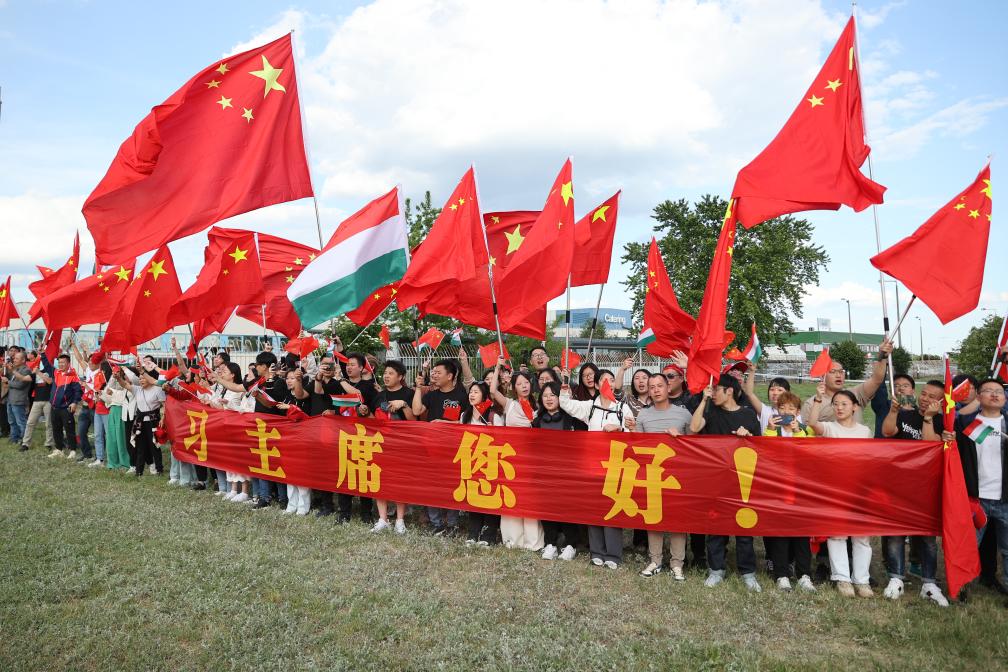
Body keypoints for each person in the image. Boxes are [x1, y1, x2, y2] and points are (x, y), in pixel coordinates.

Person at [876, 379, 950, 606]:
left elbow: (930, 443)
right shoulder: (905, 415)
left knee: (927, 538)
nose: (925, 398)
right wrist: (893, 411)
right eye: (924, 393)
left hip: (926, 487)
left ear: (940, 402)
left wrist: (928, 418)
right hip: (900, 485)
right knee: (896, 534)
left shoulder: (942, 423)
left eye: (931, 396)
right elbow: (887, 432)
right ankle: (896, 578)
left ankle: (929, 583)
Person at [689, 374, 762, 592]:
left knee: (744, 527)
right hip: (716, 480)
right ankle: (716, 570)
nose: (713, 393)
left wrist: (747, 436)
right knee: (715, 526)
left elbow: (760, 447)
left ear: (729, 391)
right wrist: (703, 400)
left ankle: (748, 572)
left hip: (742, 480)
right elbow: (694, 428)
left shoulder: (748, 415)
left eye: (716, 389)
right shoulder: (710, 412)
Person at [559, 369, 632, 569]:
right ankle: (597, 551)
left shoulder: (622, 409)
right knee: (595, 508)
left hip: (616, 466)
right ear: (597, 385)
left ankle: (614, 554)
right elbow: (566, 404)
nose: (607, 383)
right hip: (592, 465)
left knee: (613, 509)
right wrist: (564, 387)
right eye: (603, 380)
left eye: (610, 380)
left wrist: (621, 429)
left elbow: (634, 433)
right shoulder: (590, 407)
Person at [807, 385, 874, 598]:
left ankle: (862, 581)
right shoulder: (830, 428)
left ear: (855, 407)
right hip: (834, 489)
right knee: (837, 534)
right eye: (835, 404)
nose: (839, 408)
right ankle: (842, 579)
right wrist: (818, 401)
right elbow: (812, 424)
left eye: (844, 404)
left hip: (859, 489)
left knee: (862, 536)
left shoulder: (864, 431)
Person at [631, 373, 692, 580]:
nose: (655, 390)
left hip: (677, 475)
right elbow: (637, 447)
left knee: (678, 520)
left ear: (668, 388)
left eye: (659, 385)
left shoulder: (683, 414)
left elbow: (697, 446)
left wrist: (681, 438)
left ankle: (677, 563)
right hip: (651, 474)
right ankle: (655, 560)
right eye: (652, 387)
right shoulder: (643, 416)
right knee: (653, 518)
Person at [950, 379, 1008, 595]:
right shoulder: (966, 425)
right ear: (979, 397)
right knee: (968, 547)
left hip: (1005, 499)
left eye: (999, 391)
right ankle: (962, 587)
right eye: (988, 391)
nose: (994, 395)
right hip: (976, 499)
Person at [759, 391, 817, 593]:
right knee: (780, 533)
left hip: (800, 489)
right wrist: (769, 429)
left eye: (791, 409)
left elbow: (809, 454)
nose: (786, 412)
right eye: (782, 408)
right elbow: (766, 453)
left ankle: (804, 574)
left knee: (801, 534)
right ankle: (781, 574)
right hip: (777, 488)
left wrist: (798, 432)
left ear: (798, 412)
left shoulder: (805, 430)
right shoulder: (772, 431)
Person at [490, 357, 544, 551]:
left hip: (531, 457)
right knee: (511, 496)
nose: (524, 386)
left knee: (529, 498)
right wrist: (497, 367)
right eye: (519, 384)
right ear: (514, 387)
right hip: (511, 457)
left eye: (526, 383)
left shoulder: (539, 405)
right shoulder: (509, 404)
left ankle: (533, 542)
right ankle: (513, 540)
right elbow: (492, 391)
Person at [412, 358, 470, 534]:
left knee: (452, 485)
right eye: (433, 372)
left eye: (438, 372)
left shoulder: (462, 395)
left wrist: (446, 424)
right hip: (431, 447)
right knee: (432, 484)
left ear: (450, 375)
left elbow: (466, 422)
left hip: (453, 448)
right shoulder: (432, 395)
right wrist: (417, 388)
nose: (434, 375)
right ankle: (436, 523)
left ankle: (452, 523)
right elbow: (416, 411)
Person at [534, 381, 581, 561]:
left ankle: (571, 544)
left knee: (567, 507)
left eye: (552, 395)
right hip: (545, 471)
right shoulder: (536, 421)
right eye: (545, 396)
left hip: (567, 471)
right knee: (547, 507)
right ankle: (551, 544)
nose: (549, 399)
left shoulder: (571, 419)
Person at [800, 339, 893, 424]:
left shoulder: (856, 394)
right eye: (833, 372)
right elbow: (808, 435)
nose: (838, 375)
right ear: (822, 377)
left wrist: (882, 356)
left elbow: (877, 379)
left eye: (841, 371)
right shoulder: (812, 404)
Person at [370, 361, 414, 533]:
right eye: (385, 373)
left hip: (402, 446)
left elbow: (414, 421)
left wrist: (403, 405)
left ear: (401, 377)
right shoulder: (379, 396)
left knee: (399, 481)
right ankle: (383, 519)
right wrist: (366, 412)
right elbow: (375, 420)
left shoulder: (408, 394)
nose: (386, 376)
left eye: (391, 373)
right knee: (379, 480)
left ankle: (400, 520)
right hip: (381, 444)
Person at [460, 381, 501, 546]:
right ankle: (473, 533)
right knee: (474, 498)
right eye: (471, 391)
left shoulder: (493, 416)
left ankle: (488, 535)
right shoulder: (464, 415)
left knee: (489, 498)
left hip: (489, 462)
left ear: (484, 396)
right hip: (471, 461)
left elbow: (503, 441)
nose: (472, 394)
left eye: (476, 392)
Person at [121, 365, 166, 477]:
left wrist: (163, 418)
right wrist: (118, 378)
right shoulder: (137, 389)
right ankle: (139, 471)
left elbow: (165, 405)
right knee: (140, 446)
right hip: (140, 421)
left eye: (143, 378)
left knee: (154, 445)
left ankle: (159, 468)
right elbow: (125, 384)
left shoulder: (158, 389)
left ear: (150, 378)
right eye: (140, 379)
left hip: (153, 421)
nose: (141, 380)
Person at [48, 353, 82, 460]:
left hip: (66, 408)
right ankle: (59, 449)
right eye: (59, 362)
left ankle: (72, 450)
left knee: (69, 429)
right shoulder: (56, 372)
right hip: (54, 407)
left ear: (68, 363)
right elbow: (46, 364)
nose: (60, 364)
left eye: (63, 362)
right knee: (56, 429)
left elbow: (78, 391)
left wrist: (75, 402)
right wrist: (43, 354)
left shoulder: (73, 375)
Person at [5, 349, 34, 448]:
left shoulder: (26, 370)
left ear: (23, 360)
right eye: (14, 358)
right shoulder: (16, 369)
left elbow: (20, 385)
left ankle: (25, 440)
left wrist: (7, 382)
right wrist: (7, 369)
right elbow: (10, 377)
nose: (14, 359)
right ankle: (14, 438)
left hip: (18, 399)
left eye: (17, 358)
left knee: (21, 421)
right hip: (11, 399)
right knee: (12, 421)